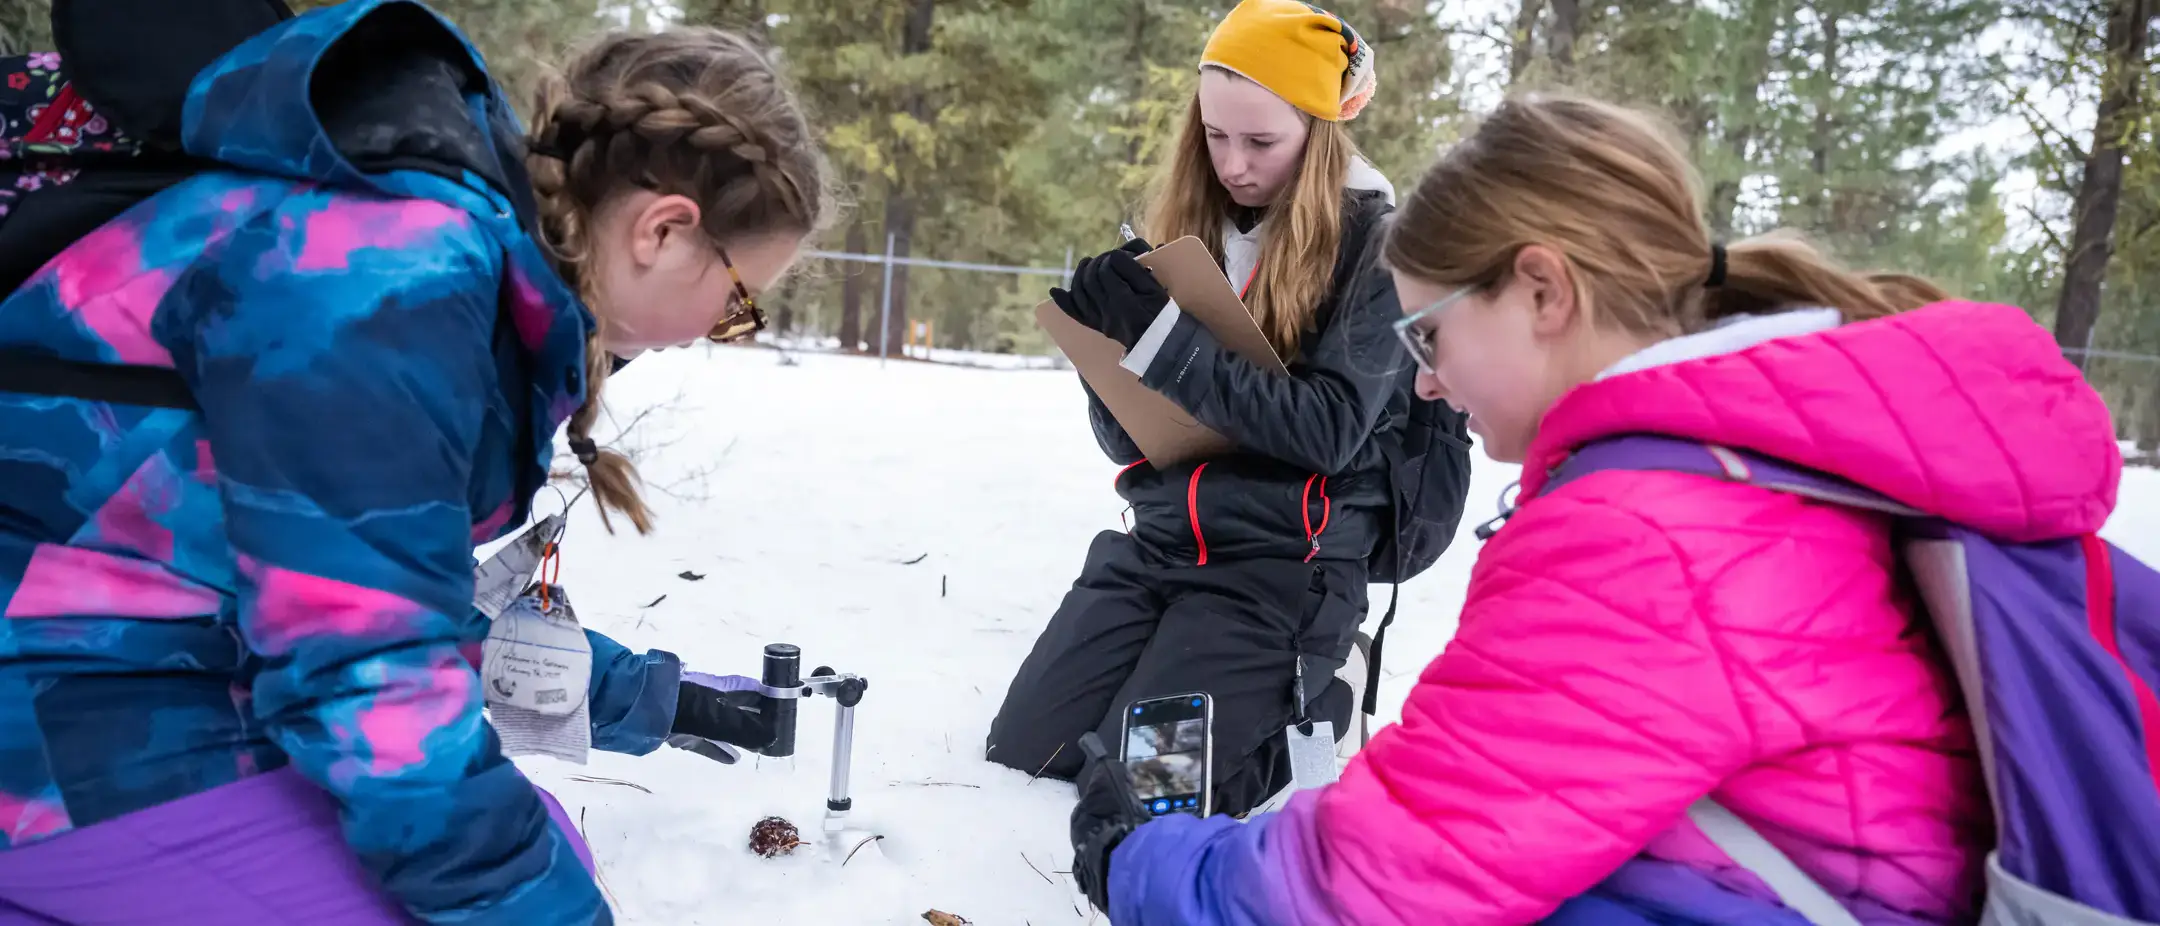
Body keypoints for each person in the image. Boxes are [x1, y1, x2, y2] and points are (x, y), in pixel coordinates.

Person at [1070, 91, 2126, 924]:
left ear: (1542, 291)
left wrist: (1146, 864)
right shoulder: (1750, 466)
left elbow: (1379, 883)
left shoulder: (1647, 528)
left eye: (1429, 334)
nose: (1426, 382)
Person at [0, 2, 829, 923]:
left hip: (136, 675)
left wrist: (652, 698)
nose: (727, 333)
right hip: (59, 734)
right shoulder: (390, 279)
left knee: (541, 834)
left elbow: (378, 593)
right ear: (664, 231)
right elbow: (367, 665)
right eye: (738, 305)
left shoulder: (441, 260)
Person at [987, 0, 1468, 819]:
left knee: (1149, 792)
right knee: (1029, 752)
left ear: (1318, 133)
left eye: (1260, 141)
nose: (1234, 164)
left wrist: (1166, 341)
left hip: (1283, 572)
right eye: (1215, 137)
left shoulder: (1379, 250)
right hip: (1163, 545)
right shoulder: (1190, 233)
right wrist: (1108, 347)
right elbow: (1128, 442)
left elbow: (1329, 430)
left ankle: (1324, 689)